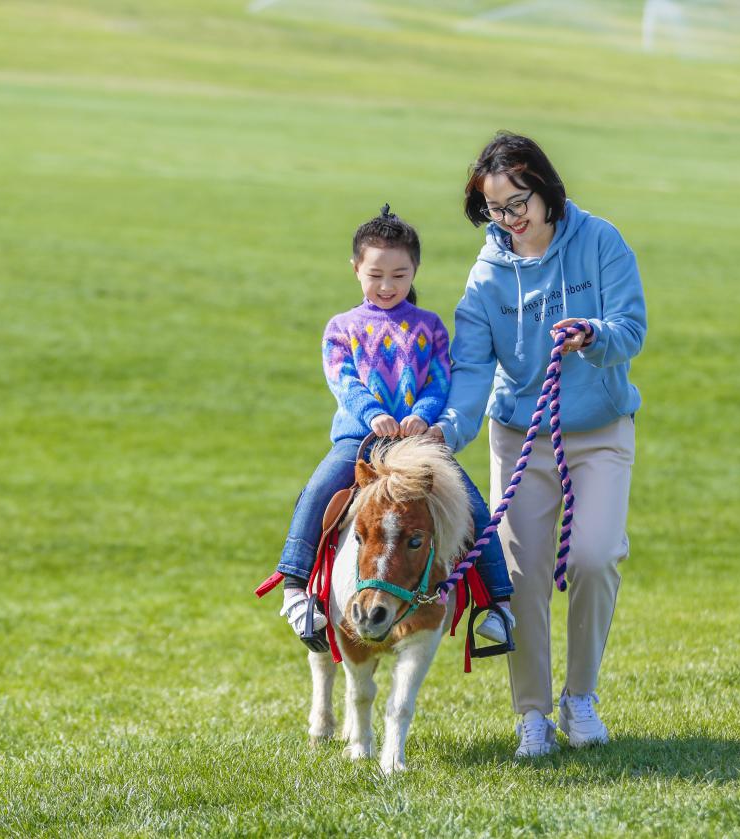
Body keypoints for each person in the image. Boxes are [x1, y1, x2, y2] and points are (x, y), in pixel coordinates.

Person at [428, 132, 647, 758]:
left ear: (546, 190)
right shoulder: (486, 278)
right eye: (497, 208)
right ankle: (532, 715)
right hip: (520, 437)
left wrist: (593, 334)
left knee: (595, 557)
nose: (511, 216)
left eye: (519, 200)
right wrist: (446, 432)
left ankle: (581, 700)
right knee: (521, 579)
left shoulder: (601, 241)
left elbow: (630, 329)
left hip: (600, 432)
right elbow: (471, 374)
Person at [275, 205, 515, 643]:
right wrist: (374, 414)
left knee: (472, 503)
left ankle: (497, 603)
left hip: (414, 444)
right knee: (317, 490)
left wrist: (421, 416)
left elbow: (439, 379)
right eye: (376, 274)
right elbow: (343, 380)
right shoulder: (341, 328)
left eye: (400, 275)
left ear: (415, 270)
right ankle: (294, 586)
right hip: (360, 439)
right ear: (356, 269)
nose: (387, 286)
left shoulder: (431, 328)